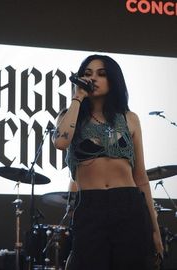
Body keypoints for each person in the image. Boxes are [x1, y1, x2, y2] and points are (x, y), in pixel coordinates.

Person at [52, 54, 164, 270]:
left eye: (101, 74)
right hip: (91, 206)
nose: (93, 78)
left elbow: (141, 177)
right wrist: (78, 98)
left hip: (128, 205)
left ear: (113, 80)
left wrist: (155, 229)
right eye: (87, 74)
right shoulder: (69, 116)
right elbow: (60, 142)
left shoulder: (129, 118)